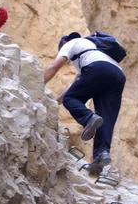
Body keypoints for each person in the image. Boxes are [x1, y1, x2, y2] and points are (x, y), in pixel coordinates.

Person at [44, 32, 126, 173]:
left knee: (72, 100)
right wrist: (55, 102)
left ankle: (88, 118)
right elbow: (76, 85)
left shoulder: (70, 43)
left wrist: (37, 85)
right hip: (118, 75)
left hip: (98, 68)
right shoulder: (92, 49)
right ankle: (101, 156)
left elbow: (53, 66)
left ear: (63, 44)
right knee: (106, 117)